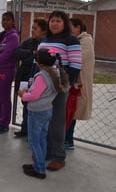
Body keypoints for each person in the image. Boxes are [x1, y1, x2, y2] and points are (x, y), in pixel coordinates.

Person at [38, 10, 81, 171]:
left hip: (59, 87)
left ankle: (58, 156)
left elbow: (76, 65)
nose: (54, 23)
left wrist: (65, 84)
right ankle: (48, 151)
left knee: (57, 121)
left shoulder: (71, 40)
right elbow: (39, 63)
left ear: (64, 23)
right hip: (43, 86)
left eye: (58, 21)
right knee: (45, 119)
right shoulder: (44, 39)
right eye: (52, 20)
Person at [18, 49, 69, 179]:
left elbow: (34, 95)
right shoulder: (55, 73)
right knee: (41, 139)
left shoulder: (41, 76)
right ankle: (38, 163)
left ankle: (39, 169)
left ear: (39, 63)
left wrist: (24, 95)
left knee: (34, 141)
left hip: (36, 112)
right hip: (47, 110)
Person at [14, 18, 48, 138]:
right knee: (25, 102)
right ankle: (25, 129)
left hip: (36, 79)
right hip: (24, 77)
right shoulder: (29, 42)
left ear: (43, 31)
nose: (32, 31)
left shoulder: (45, 43)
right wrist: (32, 53)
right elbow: (17, 53)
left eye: (35, 29)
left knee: (34, 106)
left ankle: (34, 133)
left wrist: (29, 55)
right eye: (32, 28)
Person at [65, 18, 95, 150]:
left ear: (78, 28)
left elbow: (76, 59)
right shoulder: (79, 40)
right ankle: (65, 139)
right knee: (69, 111)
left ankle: (68, 141)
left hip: (79, 84)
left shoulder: (85, 41)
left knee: (72, 112)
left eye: (70, 27)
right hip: (74, 83)